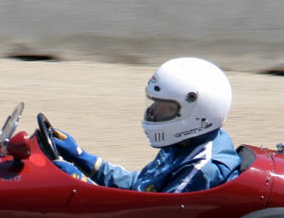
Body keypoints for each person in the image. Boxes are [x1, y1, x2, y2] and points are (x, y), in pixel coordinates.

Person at [52, 57, 241, 193]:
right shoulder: (184, 143)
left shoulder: (200, 167)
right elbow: (141, 185)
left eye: (164, 107)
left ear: (197, 112)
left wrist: (84, 185)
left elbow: (152, 216)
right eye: (155, 104)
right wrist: (83, 158)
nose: (154, 112)